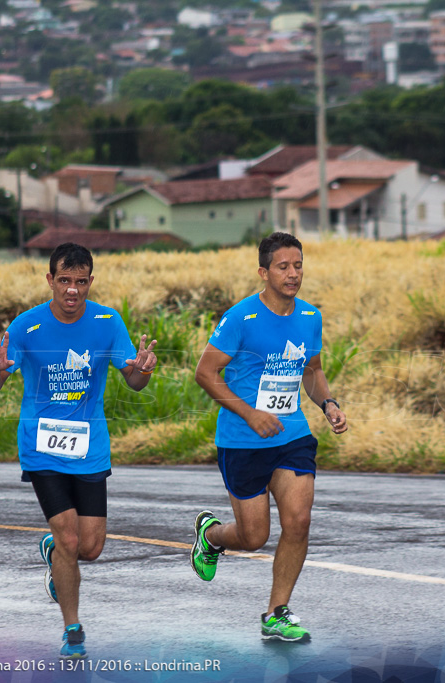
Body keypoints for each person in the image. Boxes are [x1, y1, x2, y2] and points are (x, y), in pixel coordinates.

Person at [0, 242, 157, 659]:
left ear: (91, 282)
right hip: (42, 448)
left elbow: (133, 381)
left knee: (90, 548)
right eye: (64, 281)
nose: (72, 290)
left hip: (89, 449)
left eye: (81, 282)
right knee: (69, 535)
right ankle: (72, 628)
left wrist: (143, 371)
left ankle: (54, 552)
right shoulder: (25, 327)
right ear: (50, 281)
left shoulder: (108, 322)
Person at [191, 232, 348, 642]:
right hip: (243, 439)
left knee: (298, 521)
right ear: (264, 272)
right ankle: (210, 536)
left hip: (292, 434)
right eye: (283, 266)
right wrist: (250, 413)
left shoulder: (310, 317)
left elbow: (311, 371)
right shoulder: (241, 319)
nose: (293, 274)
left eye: (298, 265)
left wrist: (328, 404)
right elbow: (205, 374)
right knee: (253, 536)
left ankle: (277, 612)